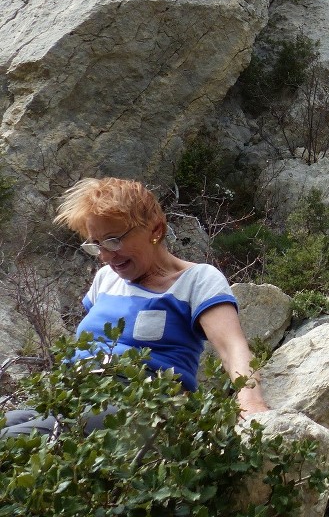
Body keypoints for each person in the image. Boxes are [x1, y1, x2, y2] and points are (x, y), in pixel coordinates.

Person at [0, 177, 268, 438]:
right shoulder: (105, 280)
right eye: (96, 245)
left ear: (155, 231)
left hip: (141, 404)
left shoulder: (197, 280)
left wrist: (251, 404)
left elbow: (232, 347)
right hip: (76, 397)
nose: (106, 256)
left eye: (114, 240)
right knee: (8, 423)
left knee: (14, 440)